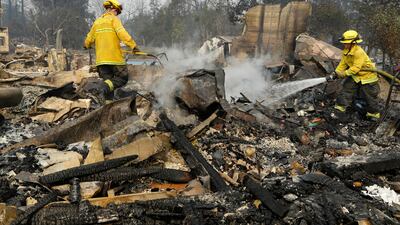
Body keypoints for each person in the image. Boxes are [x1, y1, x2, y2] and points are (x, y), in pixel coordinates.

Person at [84, 0, 138, 102]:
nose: (117, 14)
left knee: (109, 83)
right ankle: (103, 88)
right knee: (122, 78)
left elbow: (89, 39)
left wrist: (86, 45)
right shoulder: (114, 20)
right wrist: (133, 45)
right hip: (114, 58)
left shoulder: (97, 22)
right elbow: (122, 33)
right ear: (112, 9)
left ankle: (108, 106)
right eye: (117, 12)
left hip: (101, 61)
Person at [333, 30, 381, 121]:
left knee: (369, 96)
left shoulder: (359, 52)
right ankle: (340, 108)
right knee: (346, 89)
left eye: (346, 43)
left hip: (368, 77)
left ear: (353, 43)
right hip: (355, 76)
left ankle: (374, 114)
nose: (345, 44)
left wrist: (344, 74)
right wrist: (336, 73)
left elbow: (356, 68)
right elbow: (342, 64)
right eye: (344, 43)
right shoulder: (346, 51)